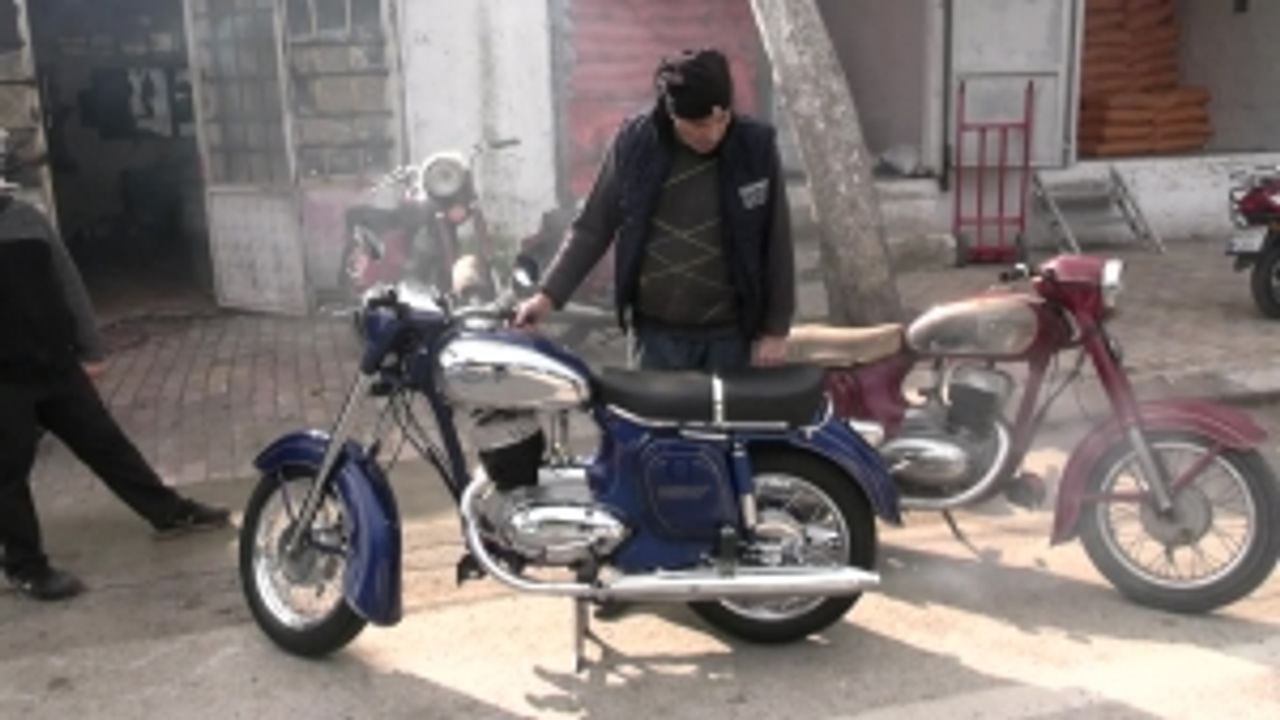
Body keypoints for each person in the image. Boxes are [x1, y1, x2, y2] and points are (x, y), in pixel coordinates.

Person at [0, 186, 230, 602]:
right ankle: (26, 567)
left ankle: (169, 513)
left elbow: (67, 282)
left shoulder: (26, 219)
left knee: (105, 443)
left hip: (55, 364)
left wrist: (90, 346)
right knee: (7, 473)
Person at [514, 48, 795, 372]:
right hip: (656, 339)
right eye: (699, 124)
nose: (713, 133)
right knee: (648, 408)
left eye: (721, 119)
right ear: (672, 115)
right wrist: (547, 296)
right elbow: (593, 227)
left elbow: (776, 238)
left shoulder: (755, 147)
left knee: (727, 409)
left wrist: (776, 329)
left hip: (731, 337)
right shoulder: (635, 144)